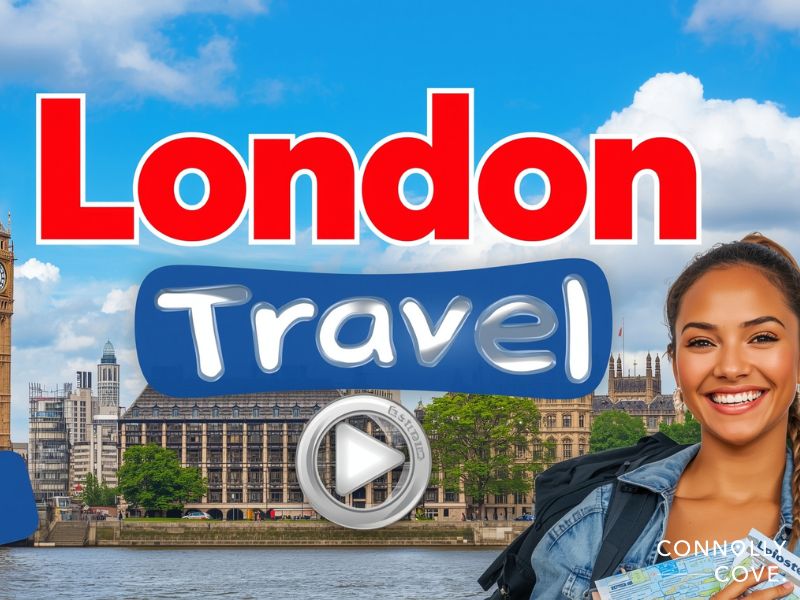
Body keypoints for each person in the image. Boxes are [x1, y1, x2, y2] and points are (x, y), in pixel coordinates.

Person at [530, 233, 800, 600]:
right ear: (674, 365)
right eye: (702, 342)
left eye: (762, 337)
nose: (731, 367)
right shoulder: (591, 527)